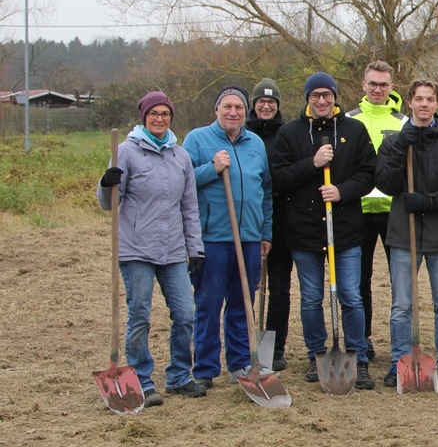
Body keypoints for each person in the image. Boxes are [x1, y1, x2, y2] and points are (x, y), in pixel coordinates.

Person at [97, 91, 207, 406]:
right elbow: (108, 204)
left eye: (165, 114)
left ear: (171, 118)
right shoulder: (125, 152)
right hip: (135, 249)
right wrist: (107, 183)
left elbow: (189, 207)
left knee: (186, 314)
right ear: (144, 116)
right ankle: (142, 381)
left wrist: (195, 249)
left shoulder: (180, 156)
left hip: (172, 249)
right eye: (153, 114)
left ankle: (179, 377)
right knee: (140, 315)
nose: (159, 119)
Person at [271, 71, 378, 390]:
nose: (321, 100)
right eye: (315, 95)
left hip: (345, 230)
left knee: (350, 295)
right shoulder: (290, 133)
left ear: (334, 97)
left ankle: (358, 357)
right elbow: (278, 178)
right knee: (311, 298)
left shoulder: (354, 130)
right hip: (304, 231)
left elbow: (369, 174)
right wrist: (313, 164)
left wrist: (342, 191)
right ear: (307, 99)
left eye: (327, 95)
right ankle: (317, 353)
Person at [375, 79, 438, 389]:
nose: (424, 104)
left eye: (430, 99)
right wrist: (402, 145)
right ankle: (399, 360)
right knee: (401, 304)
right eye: (419, 99)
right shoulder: (394, 142)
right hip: (404, 234)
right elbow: (385, 183)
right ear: (409, 103)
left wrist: (425, 201)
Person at [183, 86, 273, 389]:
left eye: (239, 107)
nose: (233, 112)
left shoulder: (256, 143)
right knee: (208, 302)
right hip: (212, 237)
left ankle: (238, 364)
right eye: (227, 106)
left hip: (249, 237)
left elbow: (266, 192)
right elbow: (181, 183)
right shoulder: (197, 139)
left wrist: (265, 231)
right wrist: (212, 168)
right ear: (216, 110)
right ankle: (205, 369)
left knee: (241, 302)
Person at [346, 60, 409, 361]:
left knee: (400, 279)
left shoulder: (403, 122)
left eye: (383, 84)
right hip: (357, 211)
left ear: (391, 87)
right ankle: (364, 339)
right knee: (360, 280)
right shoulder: (349, 120)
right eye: (373, 83)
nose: (378, 89)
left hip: (392, 210)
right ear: (363, 85)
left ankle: (400, 340)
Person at [245, 78, 292, 371]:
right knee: (249, 286)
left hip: (282, 219)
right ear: (254, 105)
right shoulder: (244, 133)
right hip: (250, 217)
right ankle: (247, 345)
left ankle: (274, 348)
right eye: (261, 102)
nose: (266, 105)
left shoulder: (286, 134)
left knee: (280, 287)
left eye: (271, 102)